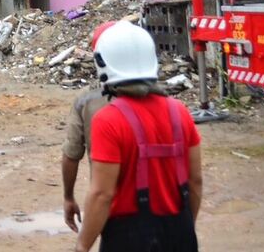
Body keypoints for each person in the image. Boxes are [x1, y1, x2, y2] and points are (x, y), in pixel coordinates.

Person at [75, 21, 203, 252]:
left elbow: (102, 194)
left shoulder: (108, 120)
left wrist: (82, 246)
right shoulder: (180, 112)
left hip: (128, 240)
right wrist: (184, 231)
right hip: (180, 234)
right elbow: (195, 181)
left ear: (104, 63)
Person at [61, 22, 115, 232]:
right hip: (166, 211)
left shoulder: (87, 102)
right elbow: (194, 180)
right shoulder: (171, 106)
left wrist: (68, 197)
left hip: (115, 211)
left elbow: (71, 154)